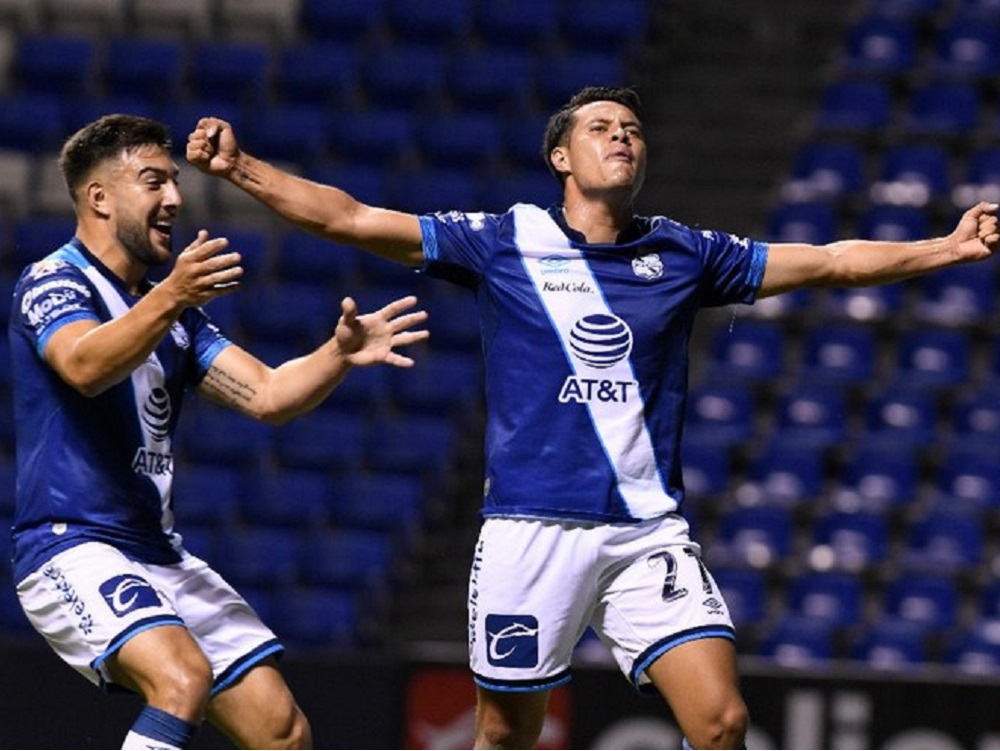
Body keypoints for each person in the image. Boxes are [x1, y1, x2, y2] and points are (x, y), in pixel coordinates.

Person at [186, 86, 999, 749]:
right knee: (505, 734)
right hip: (531, 530)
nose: (622, 138)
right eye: (602, 128)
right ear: (560, 157)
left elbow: (827, 262)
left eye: (634, 130)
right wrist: (241, 166)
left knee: (721, 723)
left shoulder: (686, 253)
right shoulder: (506, 242)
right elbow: (351, 218)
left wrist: (945, 247)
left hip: (647, 532)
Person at [8, 114, 429, 750]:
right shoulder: (55, 280)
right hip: (70, 544)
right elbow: (84, 365)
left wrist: (337, 355)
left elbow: (266, 395)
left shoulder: (173, 313)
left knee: (281, 729)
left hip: (157, 551)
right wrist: (171, 296)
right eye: (154, 183)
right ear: (98, 197)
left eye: (175, 183)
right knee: (181, 680)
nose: (175, 199)